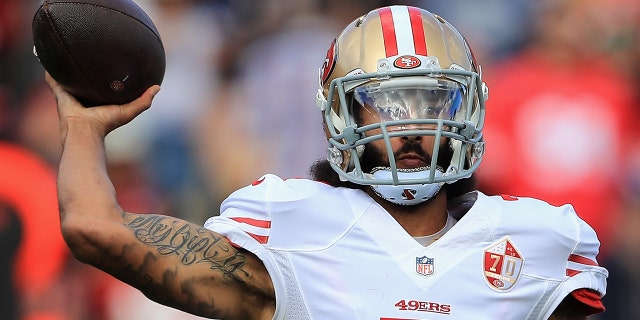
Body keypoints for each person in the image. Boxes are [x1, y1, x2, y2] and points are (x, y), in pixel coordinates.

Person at [47, 5, 607, 320]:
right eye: (385, 102)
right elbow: (95, 230)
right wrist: (82, 127)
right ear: (343, 116)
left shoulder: (535, 240)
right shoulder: (293, 225)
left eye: (431, 101)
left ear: (470, 108)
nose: (409, 126)